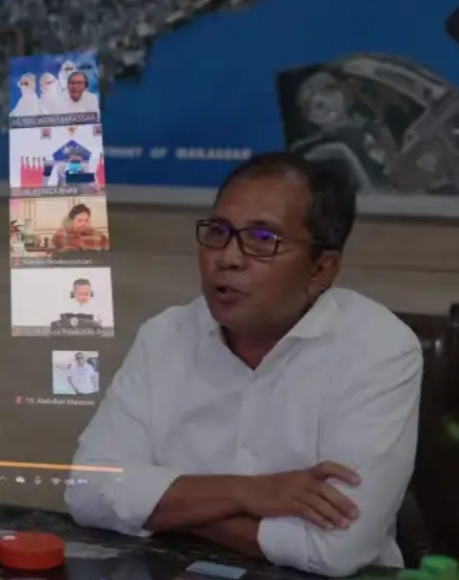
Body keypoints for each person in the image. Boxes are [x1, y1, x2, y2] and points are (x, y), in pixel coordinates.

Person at [65, 152, 422, 577]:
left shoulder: (379, 349)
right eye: (218, 232)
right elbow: (87, 490)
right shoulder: (164, 336)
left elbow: (335, 549)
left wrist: (168, 508)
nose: (228, 258)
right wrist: (246, 492)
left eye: (262, 239)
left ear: (321, 271)